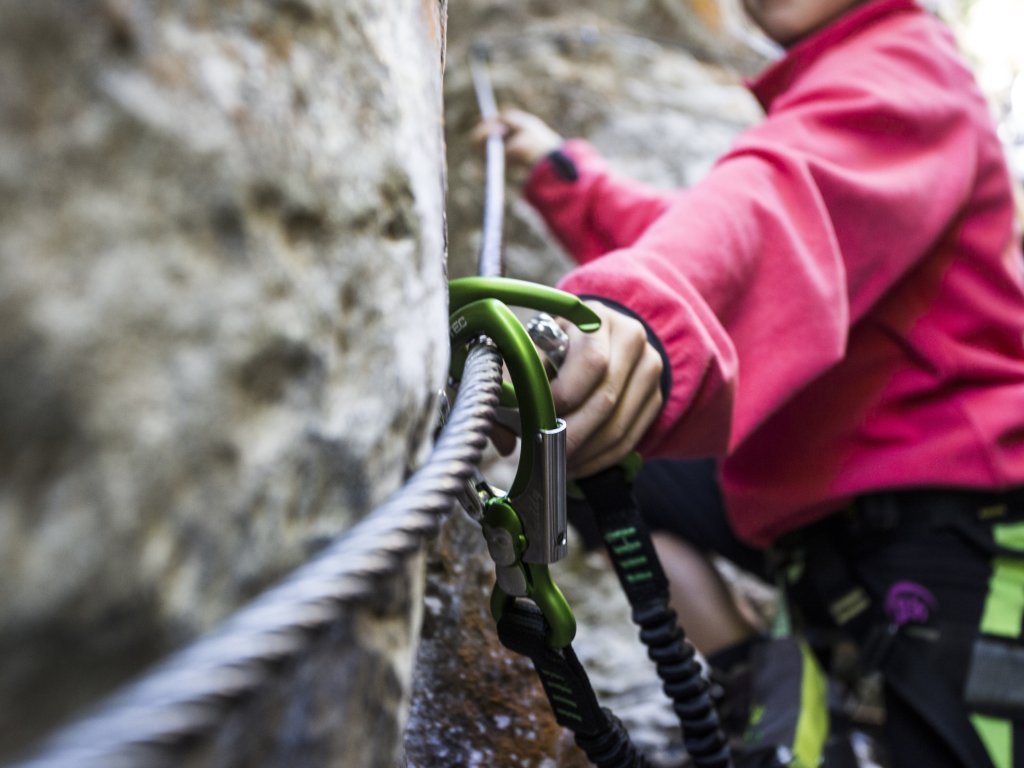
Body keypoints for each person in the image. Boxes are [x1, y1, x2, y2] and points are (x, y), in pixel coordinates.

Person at [477, 0, 1024, 765]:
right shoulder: (842, 85)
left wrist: (638, 318)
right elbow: (714, 229)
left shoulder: (910, 64)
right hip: (818, 514)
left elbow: (783, 205)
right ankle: (752, 670)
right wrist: (563, 176)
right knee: (596, 463)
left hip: (955, 515)